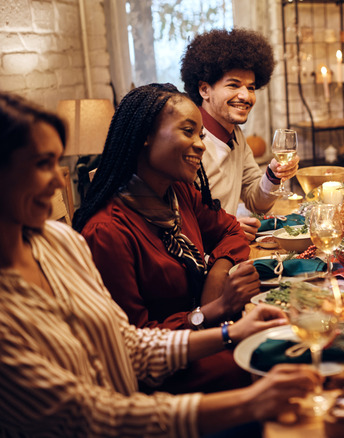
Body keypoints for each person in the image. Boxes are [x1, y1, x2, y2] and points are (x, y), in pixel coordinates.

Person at [0, 91, 318, 436]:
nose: (56, 180)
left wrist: (230, 328)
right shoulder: (103, 232)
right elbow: (88, 414)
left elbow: (127, 343)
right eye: (41, 164)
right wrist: (245, 394)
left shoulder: (58, 243)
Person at [73, 84, 265, 394]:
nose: (200, 145)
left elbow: (230, 230)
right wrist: (214, 310)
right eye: (188, 131)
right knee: (260, 365)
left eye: (200, 135)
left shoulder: (178, 194)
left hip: (203, 338)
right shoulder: (107, 232)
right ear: (145, 135)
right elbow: (133, 343)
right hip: (159, 374)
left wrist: (217, 276)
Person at [181, 28, 299, 241]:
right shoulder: (188, 142)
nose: (245, 96)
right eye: (233, 85)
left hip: (229, 248)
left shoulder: (235, 135)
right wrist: (228, 227)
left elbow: (256, 203)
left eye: (251, 88)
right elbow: (180, 219)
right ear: (204, 90)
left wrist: (273, 173)